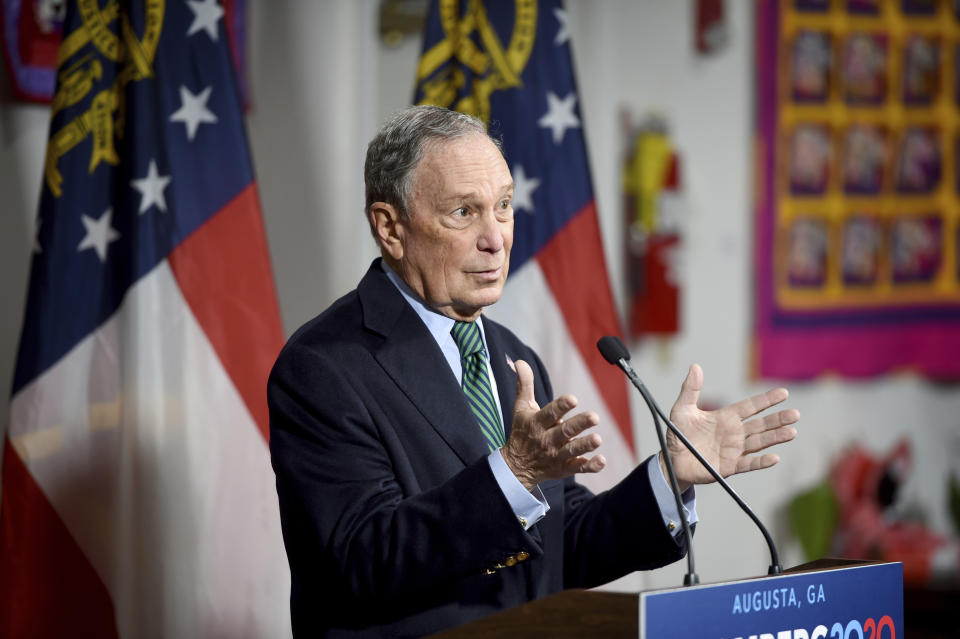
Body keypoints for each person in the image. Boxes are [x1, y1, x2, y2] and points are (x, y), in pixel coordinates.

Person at [268, 105, 799, 638]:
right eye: (463, 212)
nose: (495, 237)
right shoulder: (323, 367)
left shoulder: (509, 354)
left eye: (503, 206)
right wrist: (515, 472)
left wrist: (669, 475)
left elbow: (561, 544)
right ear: (390, 228)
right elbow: (363, 560)